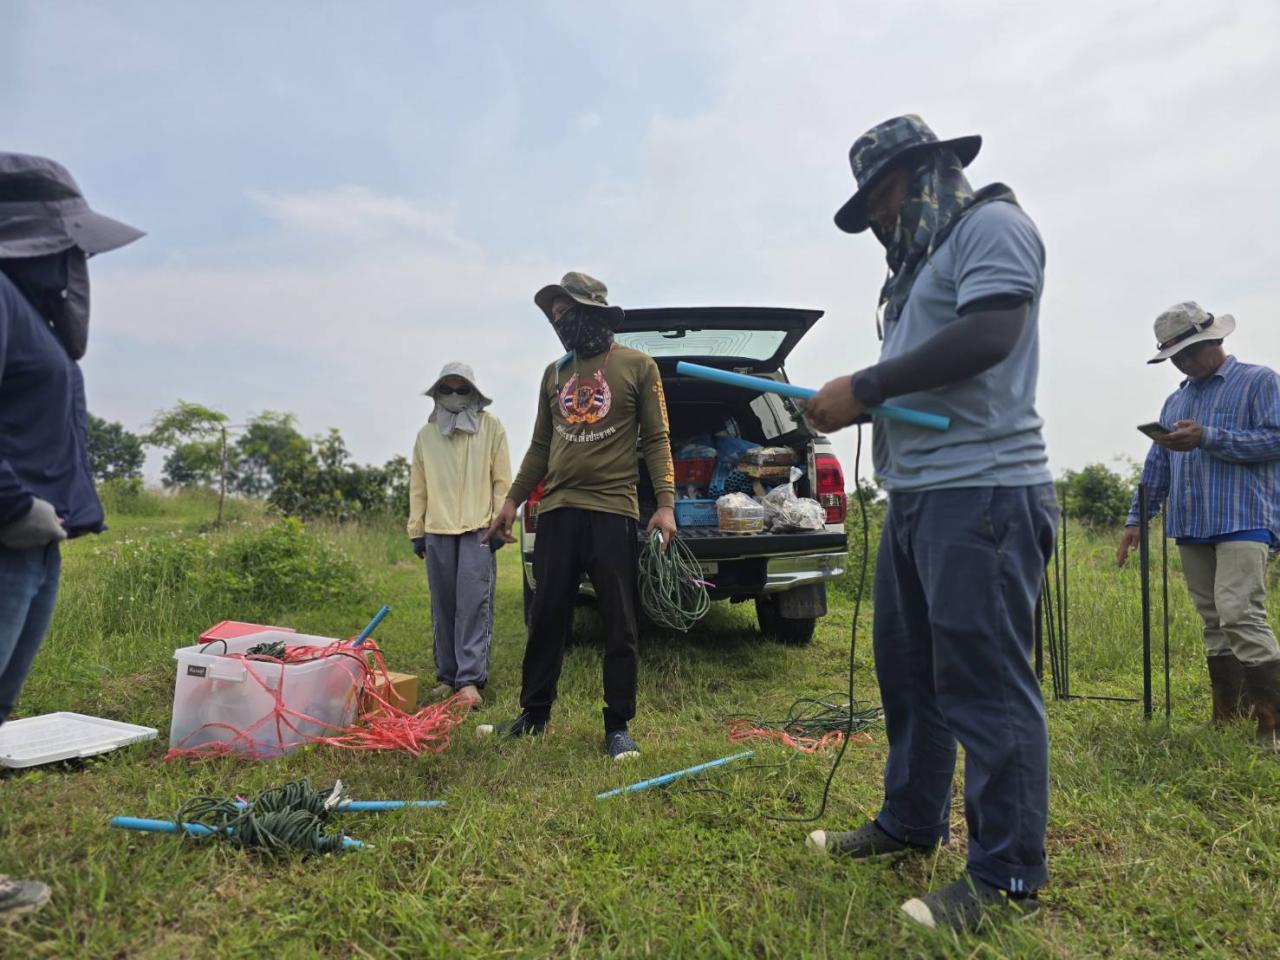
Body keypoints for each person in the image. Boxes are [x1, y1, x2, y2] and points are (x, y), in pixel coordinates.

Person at [803, 115, 1056, 932]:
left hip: (982, 492)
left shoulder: (993, 225)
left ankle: (1006, 877)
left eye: (884, 195)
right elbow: (923, 383)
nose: (878, 216)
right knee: (909, 677)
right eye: (869, 204)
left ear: (928, 171)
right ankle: (909, 821)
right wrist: (854, 405)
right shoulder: (916, 275)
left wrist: (866, 387)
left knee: (985, 686)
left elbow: (991, 334)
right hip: (918, 500)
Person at [0, 153, 144, 920]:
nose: (78, 266)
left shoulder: (26, 315)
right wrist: (7, 502)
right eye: (70, 249)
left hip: (30, 543)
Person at [482, 271, 676, 761]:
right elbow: (541, 447)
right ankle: (534, 714)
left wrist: (667, 505)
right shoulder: (554, 374)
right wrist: (511, 502)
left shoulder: (638, 366)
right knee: (547, 616)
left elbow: (655, 440)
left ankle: (618, 725)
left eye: (568, 312)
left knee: (620, 621)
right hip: (558, 511)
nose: (561, 322)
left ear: (595, 311)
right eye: (556, 316)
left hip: (613, 511)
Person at [1117, 303, 1279, 748]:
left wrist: (1208, 437)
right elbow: (1158, 465)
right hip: (1192, 523)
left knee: (1240, 613)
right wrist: (1137, 518)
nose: (1181, 363)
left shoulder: (1259, 381)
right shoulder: (1177, 399)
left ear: (1213, 342)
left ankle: (1271, 724)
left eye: (1187, 353)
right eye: (1174, 357)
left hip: (1244, 518)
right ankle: (1227, 716)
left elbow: (1276, 438)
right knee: (1213, 620)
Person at [407, 362, 512, 709]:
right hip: (437, 529)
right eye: (447, 390)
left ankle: (469, 680)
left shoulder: (491, 428)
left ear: (474, 393)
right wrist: (416, 530)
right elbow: (418, 486)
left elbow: (502, 481)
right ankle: (447, 676)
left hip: (478, 528)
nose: (454, 396)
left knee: (473, 604)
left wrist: (500, 525)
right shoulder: (427, 435)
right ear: (437, 393)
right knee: (444, 605)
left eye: (461, 389)